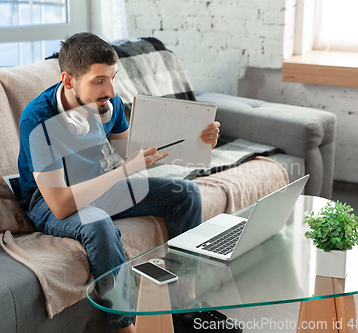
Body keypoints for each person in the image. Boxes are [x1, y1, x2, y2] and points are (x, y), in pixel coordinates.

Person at [18, 32, 241, 333]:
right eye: (99, 80)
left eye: (113, 78)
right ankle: (126, 327)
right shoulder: (38, 119)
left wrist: (200, 141)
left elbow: (137, 153)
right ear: (68, 80)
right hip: (47, 200)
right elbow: (60, 205)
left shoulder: (108, 104)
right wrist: (124, 171)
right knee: (98, 224)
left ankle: (184, 303)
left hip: (97, 186)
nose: (110, 89)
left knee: (185, 192)